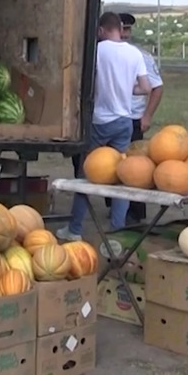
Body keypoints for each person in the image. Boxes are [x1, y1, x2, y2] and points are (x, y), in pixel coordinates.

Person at [57, 12, 151, 241]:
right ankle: (117, 228)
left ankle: (75, 229)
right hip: (124, 122)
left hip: (99, 121)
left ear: (100, 30)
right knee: (122, 175)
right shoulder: (134, 53)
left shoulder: (96, 51)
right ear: (120, 28)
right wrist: (128, 90)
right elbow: (146, 88)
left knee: (86, 174)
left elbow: (84, 82)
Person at [119, 12, 164, 222]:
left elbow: (157, 88)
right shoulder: (101, 52)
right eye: (121, 29)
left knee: (136, 167)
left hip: (133, 118)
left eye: (128, 29)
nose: (125, 34)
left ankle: (136, 213)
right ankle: (116, 207)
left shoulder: (141, 56)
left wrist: (147, 116)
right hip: (108, 118)